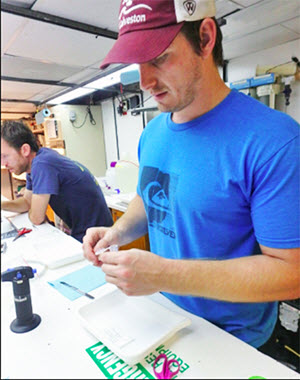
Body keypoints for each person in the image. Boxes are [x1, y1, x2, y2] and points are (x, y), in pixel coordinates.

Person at [82, 0, 300, 351]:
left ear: (205, 36)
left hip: (235, 342)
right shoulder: (152, 134)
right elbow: (150, 197)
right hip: (163, 321)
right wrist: (117, 231)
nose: (145, 81)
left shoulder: (274, 141)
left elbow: (292, 273)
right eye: (138, 63)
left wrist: (163, 274)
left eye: (159, 57)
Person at [1, 120, 113, 242]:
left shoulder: (42, 163)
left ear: (25, 150)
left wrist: (34, 212)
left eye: (4, 156)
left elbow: (36, 218)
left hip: (97, 235)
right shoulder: (34, 165)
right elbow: (27, 203)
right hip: (84, 230)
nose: (2, 163)